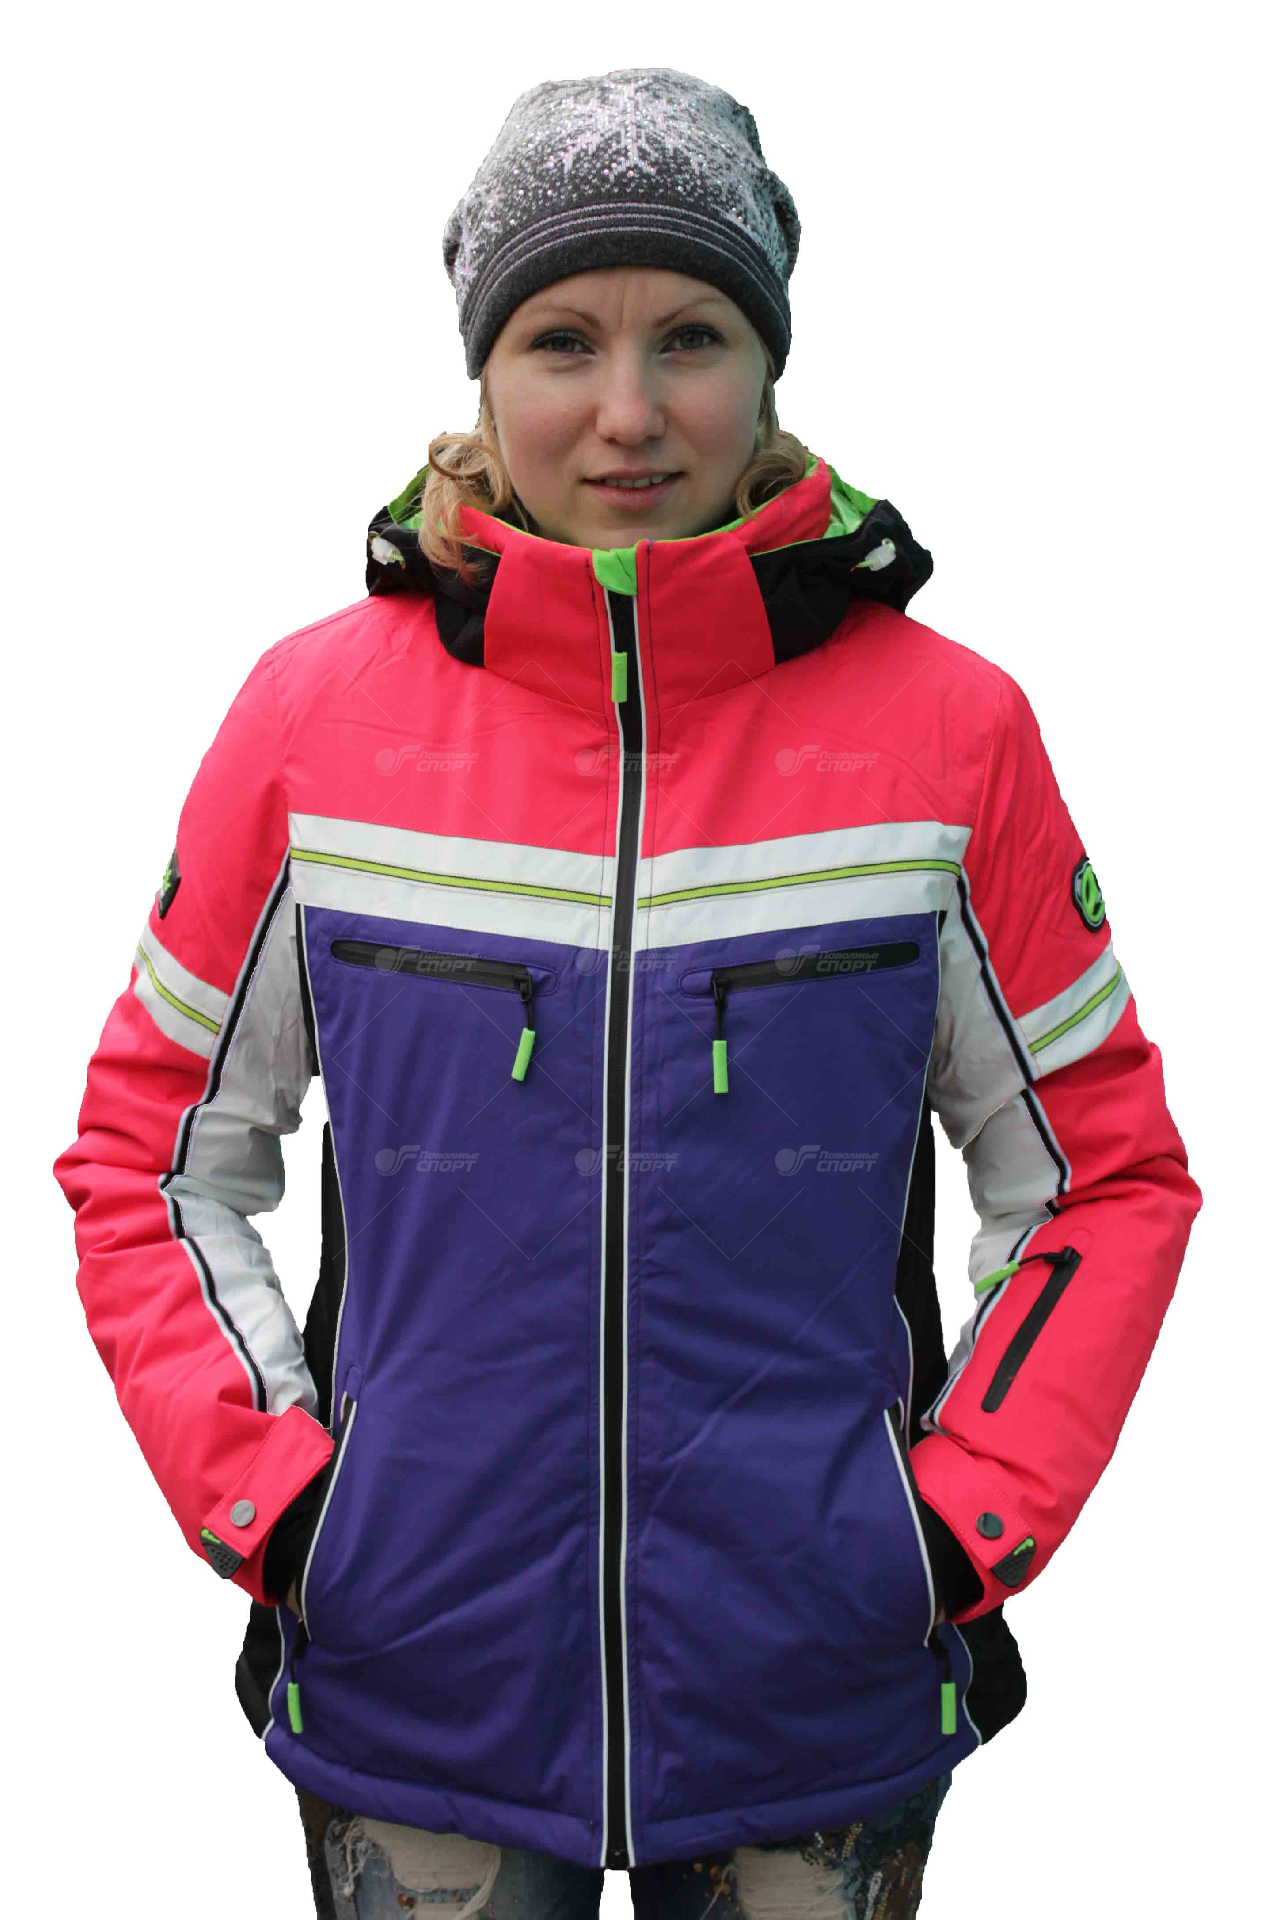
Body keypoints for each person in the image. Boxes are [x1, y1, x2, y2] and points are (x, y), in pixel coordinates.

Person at [52, 66, 1202, 1920]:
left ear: (766, 366)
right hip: (415, 1685)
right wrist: (285, 1504)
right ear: (482, 371)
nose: (627, 410)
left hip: (812, 1698)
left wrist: (949, 1525)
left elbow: (1100, 1176)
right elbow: (150, 1159)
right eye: (562, 340)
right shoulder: (311, 724)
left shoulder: (947, 733)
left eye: (691, 337)